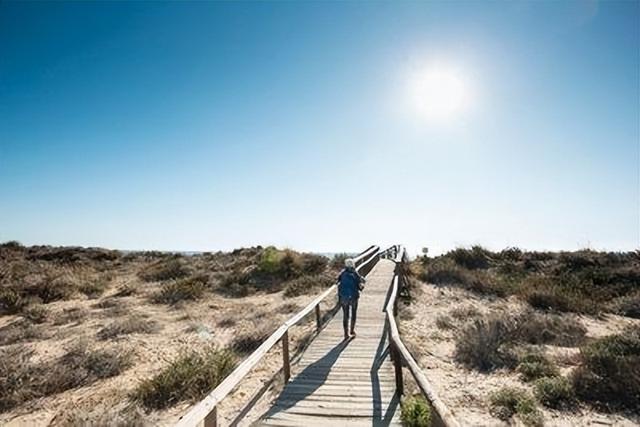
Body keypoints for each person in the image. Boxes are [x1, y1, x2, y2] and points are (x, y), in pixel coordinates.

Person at [337, 258, 365, 340]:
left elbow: (337, 281)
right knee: (353, 314)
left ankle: (346, 334)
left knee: (345, 315)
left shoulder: (342, 273)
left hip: (344, 297)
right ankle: (352, 331)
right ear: (353, 265)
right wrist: (363, 283)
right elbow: (360, 287)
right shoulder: (355, 273)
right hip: (353, 296)